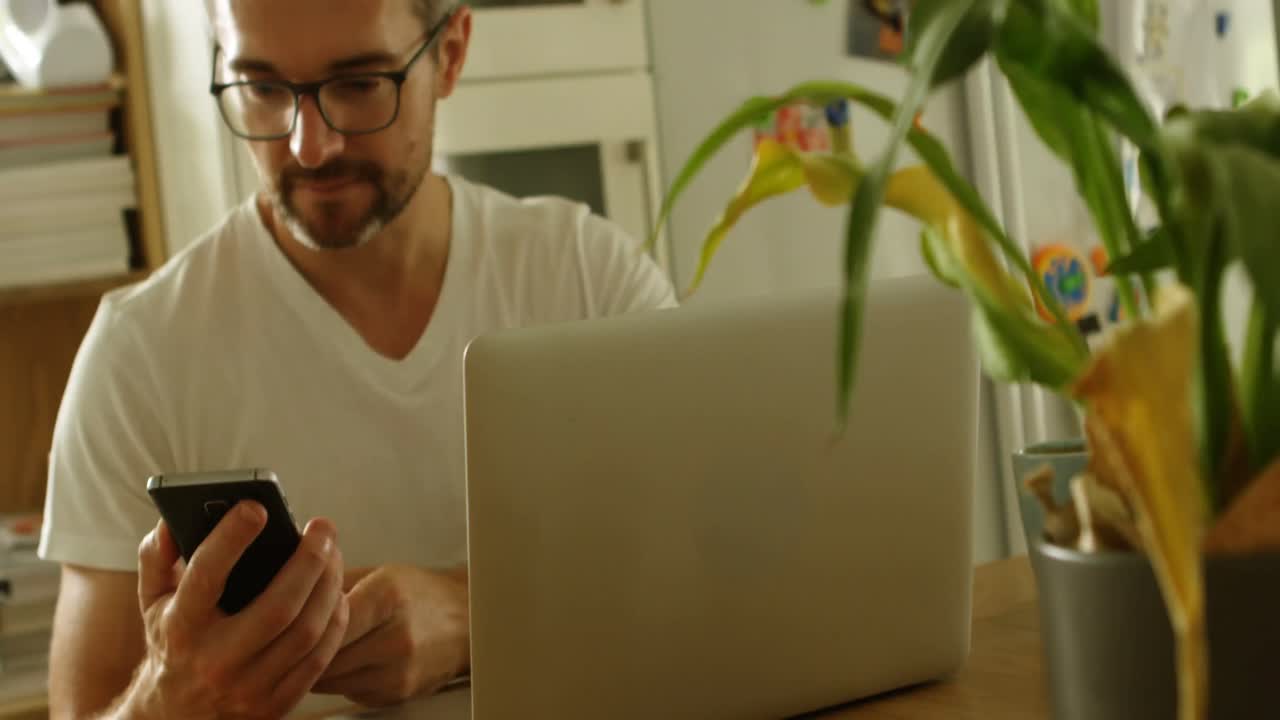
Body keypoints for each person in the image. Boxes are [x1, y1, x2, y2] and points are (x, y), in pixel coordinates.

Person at [36, 0, 676, 718]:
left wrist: (472, 618)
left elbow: (708, 582)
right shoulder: (139, 353)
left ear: (452, 52)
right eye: (264, 88)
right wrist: (166, 699)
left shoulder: (587, 279)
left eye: (361, 83)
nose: (311, 145)